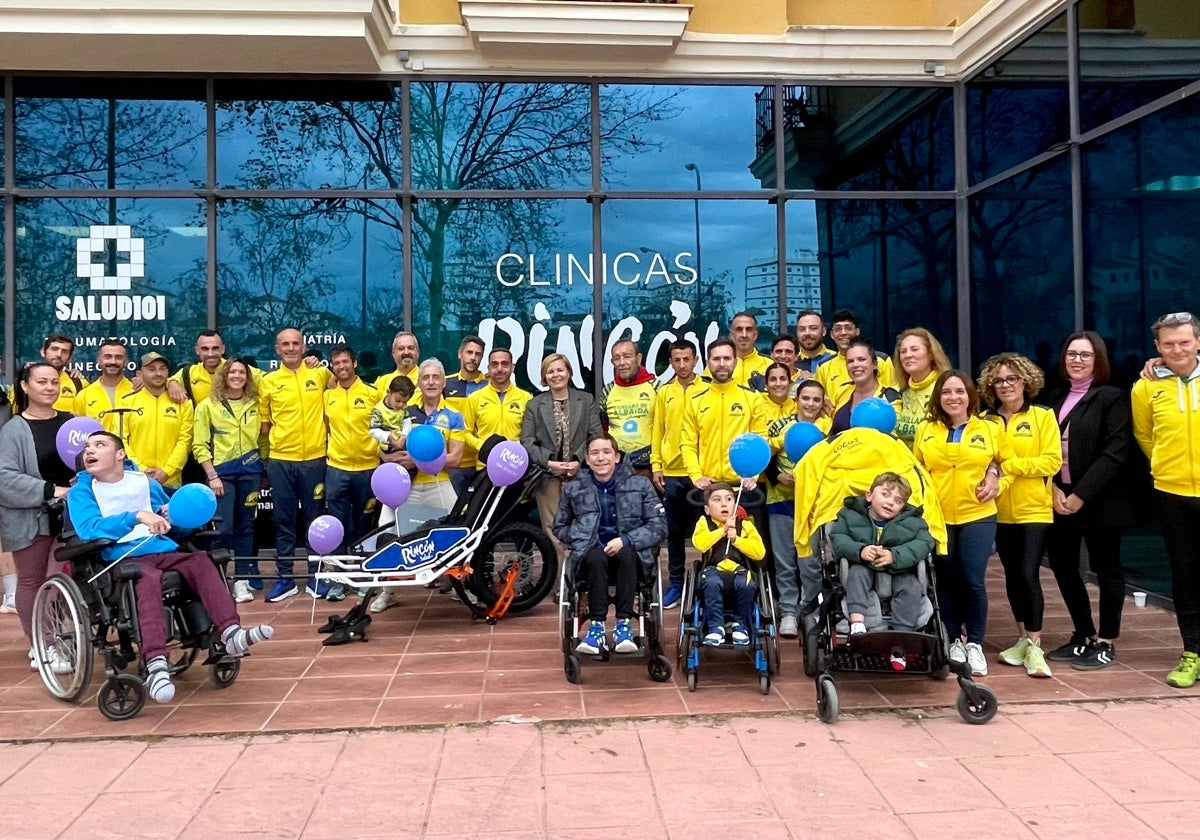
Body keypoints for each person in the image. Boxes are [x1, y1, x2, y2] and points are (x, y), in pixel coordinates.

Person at [68, 431, 274, 703]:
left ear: (120, 454)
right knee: (147, 578)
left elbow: (172, 520)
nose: (89, 451)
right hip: (121, 557)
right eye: (86, 447)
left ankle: (231, 633)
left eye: (99, 444)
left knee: (201, 560)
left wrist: (170, 518)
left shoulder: (143, 482)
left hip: (160, 549)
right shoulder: (82, 491)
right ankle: (155, 662)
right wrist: (136, 517)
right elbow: (88, 529)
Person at [913, 369, 1012, 677]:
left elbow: (1007, 465)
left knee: (971, 578)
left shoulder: (990, 428)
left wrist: (996, 479)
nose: (953, 397)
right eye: (946, 392)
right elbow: (915, 471)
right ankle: (954, 639)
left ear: (970, 395)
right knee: (945, 579)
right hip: (938, 517)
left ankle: (976, 644)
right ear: (938, 398)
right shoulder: (925, 429)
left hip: (977, 515)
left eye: (959, 391)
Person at [1044, 331, 1133, 671]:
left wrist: (1081, 495)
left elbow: (1115, 452)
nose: (1077, 360)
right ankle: (1082, 634)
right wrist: (1054, 489)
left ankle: (1107, 641)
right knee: (1064, 568)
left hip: (1100, 500)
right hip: (1059, 498)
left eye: (1085, 355)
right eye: (1071, 354)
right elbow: (1043, 450)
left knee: (1107, 569)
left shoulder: (1111, 398)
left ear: (1098, 360)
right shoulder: (1053, 399)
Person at [978, 352, 1061, 678]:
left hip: (1033, 511)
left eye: (1011, 378)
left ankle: (1036, 645)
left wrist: (1009, 467)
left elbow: (1051, 461)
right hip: (997, 512)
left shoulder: (1042, 416)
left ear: (1025, 380)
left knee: (1028, 574)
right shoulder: (985, 420)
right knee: (1012, 576)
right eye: (998, 380)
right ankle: (1023, 639)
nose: (1005, 385)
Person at [1131, 312, 1200, 687]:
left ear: (1198, 342)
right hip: (1171, 492)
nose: (1177, 349)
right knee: (1185, 576)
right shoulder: (1145, 387)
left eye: (1184, 342)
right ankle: (1192, 652)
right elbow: (1145, 435)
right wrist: (1165, 464)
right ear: (1157, 348)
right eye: (1168, 344)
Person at [555, 433, 666, 656]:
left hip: (631, 556)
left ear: (616, 457)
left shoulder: (640, 485)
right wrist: (582, 536)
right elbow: (559, 527)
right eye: (594, 453)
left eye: (606, 452)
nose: (600, 458)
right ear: (586, 459)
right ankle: (596, 629)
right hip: (592, 556)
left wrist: (626, 540)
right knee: (596, 557)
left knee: (626, 553)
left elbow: (659, 526)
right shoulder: (573, 489)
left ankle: (623, 626)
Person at [0, 363, 74, 672]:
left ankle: (60, 636)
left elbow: (94, 458)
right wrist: (51, 489)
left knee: (63, 581)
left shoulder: (72, 423)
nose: (49, 387)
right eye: (41, 382)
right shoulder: (13, 429)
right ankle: (41, 645)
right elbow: (4, 477)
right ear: (25, 387)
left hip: (71, 518)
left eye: (54, 381)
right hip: (30, 518)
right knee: (31, 581)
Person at [830, 472, 935, 667]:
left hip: (899, 568)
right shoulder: (850, 515)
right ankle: (858, 624)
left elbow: (924, 543)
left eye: (898, 501)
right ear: (869, 495)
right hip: (862, 565)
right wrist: (860, 550)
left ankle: (901, 641)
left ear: (903, 506)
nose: (890, 503)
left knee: (911, 587)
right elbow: (839, 538)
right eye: (885, 495)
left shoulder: (913, 522)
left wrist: (895, 555)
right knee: (856, 575)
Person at [260, 327, 332, 602]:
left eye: (295, 344)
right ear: (277, 349)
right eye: (285, 344)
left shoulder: (320, 374)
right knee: (284, 521)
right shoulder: (268, 382)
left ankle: (317, 576)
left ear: (304, 348)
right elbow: (265, 426)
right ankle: (285, 578)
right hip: (281, 460)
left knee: (315, 521)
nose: (290, 348)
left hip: (314, 459)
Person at [193, 358, 264, 603]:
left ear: (248, 376)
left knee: (246, 528)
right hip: (222, 474)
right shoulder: (207, 406)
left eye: (241, 372)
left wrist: (262, 468)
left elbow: (262, 438)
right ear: (224, 376)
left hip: (251, 472)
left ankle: (242, 581)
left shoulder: (256, 403)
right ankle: (218, 580)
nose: (236, 376)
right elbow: (199, 444)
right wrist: (212, 475)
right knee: (222, 529)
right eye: (231, 371)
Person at [521, 353, 603, 561]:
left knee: (585, 524)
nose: (555, 375)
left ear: (569, 372)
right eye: (550, 371)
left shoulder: (585, 400)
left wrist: (578, 460)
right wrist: (548, 461)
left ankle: (581, 579)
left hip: (580, 473)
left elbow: (596, 437)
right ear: (544, 376)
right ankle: (560, 583)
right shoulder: (535, 404)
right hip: (547, 475)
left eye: (560, 370)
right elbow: (527, 441)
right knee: (552, 528)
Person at [766, 377, 831, 637]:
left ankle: (810, 609)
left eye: (816, 399)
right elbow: (764, 458)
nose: (810, 404)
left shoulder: (828, 429)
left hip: (813, 504)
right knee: (784, 561)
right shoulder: (778, 426)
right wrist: (778, 476)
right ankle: (789, 612)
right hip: (780, 500)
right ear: (796, 400)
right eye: (806, 398)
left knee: (811, 561)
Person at [324, 345, 379, 602]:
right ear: (332, 367)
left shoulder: (372, 393)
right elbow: (325, 427)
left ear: (354, 363)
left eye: (346, 361)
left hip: (367, 468)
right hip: (337, 468)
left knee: (364, 526)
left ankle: (364, 576)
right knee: (337, 526)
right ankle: (338, 579)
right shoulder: (327, 396)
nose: (341, 366)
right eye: (337, 363)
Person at [650, 340, 701, 610]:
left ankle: (706, 583)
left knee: (707, 532)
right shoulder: (664, 392)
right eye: (676, 360)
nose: (681, 365)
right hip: (671, 472)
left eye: (686, 359)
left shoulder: (706, 389)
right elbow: (657, 430)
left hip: (702, 473)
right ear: (670, 362)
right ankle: (677, 584)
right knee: (674, 532)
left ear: (695, 360)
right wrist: (657, 465)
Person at [681, 338, 769, 491]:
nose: (722, 364)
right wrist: (696, 476)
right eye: (716, 359)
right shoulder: (696, 402)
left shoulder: (752, 398)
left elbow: (760, 440)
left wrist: (752, 475)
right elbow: (688, 444)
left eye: (727, 358)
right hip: (707, 487)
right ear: (708, 363)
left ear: (735, 362)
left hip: (743, 486)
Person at [692, 482, 766, 646]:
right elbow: (700, 544)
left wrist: (736, 540)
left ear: (735, 505)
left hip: (739, 570)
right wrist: (722, 531)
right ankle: (716, 627)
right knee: (711, 583)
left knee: (746, 585)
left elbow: (759, 552)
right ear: (707, 509)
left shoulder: (745, 525)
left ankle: (740, 625)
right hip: (713, 570)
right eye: (717, 500)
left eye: (728, 499)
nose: (724, 504)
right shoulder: (704, 523)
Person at [120, 352, 195, 489]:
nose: (158, 373)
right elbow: (121, 440)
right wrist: (140, 469)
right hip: (135, 479)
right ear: (139, 374)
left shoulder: (183, 403)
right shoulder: (126, 402)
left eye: (162, 368)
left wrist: (167, 470)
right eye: (151, 369)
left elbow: (185, 441)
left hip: (171, 481)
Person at [461, 348, 531, 469]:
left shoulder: (526, 398)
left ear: (512, 367)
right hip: (485, 465)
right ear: (488, 369)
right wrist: (484, 446)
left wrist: (517, 448)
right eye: (494, 364)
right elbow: (465, 432)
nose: (499, 369)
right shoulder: (475, 398)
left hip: (516, 466)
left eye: (504, 364)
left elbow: (531, 435)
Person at [816, 309, 896, 407]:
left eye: (848, 328)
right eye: (838, 329)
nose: (843, 333)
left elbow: (892, 396)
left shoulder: (881, 361)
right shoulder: (823, 367)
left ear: (857, 331)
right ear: (832, 335)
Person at [599, 339, 658, 473]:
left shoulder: (657, 388)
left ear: (638, 358)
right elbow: (603, 428)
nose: (622, 363)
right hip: (615, 467)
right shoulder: (607, 391)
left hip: (648, 467)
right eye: (617, 358)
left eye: (627, 356)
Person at [828, 338, 901, 436]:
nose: (855, 365)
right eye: (850, 361)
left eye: (861, 359)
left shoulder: (890, 398)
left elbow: (894, 436)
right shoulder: (842, 390)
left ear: (875, 364)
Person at [443, 335, 487, 496]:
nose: (473, 358)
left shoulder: (489, 386)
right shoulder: (445, 384)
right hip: (454, 464)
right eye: (469, 352)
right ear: (460, 354)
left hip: (481, 463)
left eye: (478, 354)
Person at [893, 328, 952, 449]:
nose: (908, 355)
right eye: (903, 351)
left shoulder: (946, 388)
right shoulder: (900, 393)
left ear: (930, 354)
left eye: (914, 349)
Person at [74, 339, 133, 435]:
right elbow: (78, 432)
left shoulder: (135, 391)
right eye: (108, 357)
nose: (113, 361)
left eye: (118, 357)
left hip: (129, 450)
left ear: (125, 361)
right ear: (99, 360)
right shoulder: (84, 395)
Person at [38, 334, 87, 412]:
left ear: (70, 358)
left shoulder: (79, 383)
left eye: (64, 351)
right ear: (43, 352)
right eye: (54, 349)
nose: (59, 354)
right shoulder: (27, 380)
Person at [369, 375, 416, 453]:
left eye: (405, 402)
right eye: (397, 400)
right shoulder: (378, 410)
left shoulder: (403, 408)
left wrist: (404, 436)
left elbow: (407, 421)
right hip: (386, 449)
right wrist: (388, 437)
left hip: (402, 445)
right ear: (389, 393)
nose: (401, 405)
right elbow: (373, 430)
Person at [795, 310, 837, 378]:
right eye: (802, 329)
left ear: (823, 331)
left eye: (813, 328)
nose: (807, 333)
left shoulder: (836, 359)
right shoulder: (791, 362)